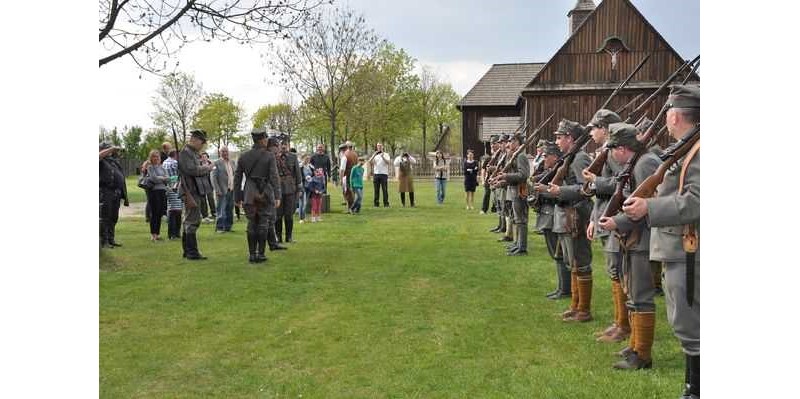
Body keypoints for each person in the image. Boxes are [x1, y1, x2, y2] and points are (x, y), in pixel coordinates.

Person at [622, 85, 700, 397]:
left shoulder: (698, 151)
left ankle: (695, 390)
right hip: (679, 250)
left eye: (667, 115)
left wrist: (649, 207)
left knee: (692, 326)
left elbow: (698, 200)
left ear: (675, 116)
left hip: (689, 252)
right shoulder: (687, 149)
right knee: (686, 324)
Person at [596, 123, 662, 370]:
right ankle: (634, 345)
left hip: (643, 239)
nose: (611, 154)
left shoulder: (645, 163)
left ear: (622, 148)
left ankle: (642, 355)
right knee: (633, 294)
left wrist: (617, 221)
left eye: (613, 149)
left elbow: (646, 205)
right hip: (634, 238)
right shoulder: (638, 162)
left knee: (642, 295)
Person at [534, 119, 594, 322]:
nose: (557, 142)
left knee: (580, 263)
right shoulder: (572, 157)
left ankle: (584, 310)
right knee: (573, 263)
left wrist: (558, 190)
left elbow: (585, 189)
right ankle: (576, 306)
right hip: (568, 217)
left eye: (560, 137)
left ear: (570, 138)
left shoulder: (580, 159)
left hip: (577, 216)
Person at [581, 109, 628, 343]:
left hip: (614, 220)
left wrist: (595, 180)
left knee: (617, 272)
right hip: (603, 217)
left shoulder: (614, 153)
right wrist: (592, 219)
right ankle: (618, 322)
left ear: (606, 129)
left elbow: (623, 184)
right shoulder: (605, 152)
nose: (591, 132)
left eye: (594, 128)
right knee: (613, 272)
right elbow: (598, 195)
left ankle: (623, 325)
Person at [235, 128, 282, 263]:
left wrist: (237, 197)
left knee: (251, 223)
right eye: (266, 138)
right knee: (263, 223)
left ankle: (251, 254)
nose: (267, 141)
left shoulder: (243, 156)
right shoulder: (269, 156)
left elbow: (237, 178)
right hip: (264, 192)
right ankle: (260, 254)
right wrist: (278, 195)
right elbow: (274, 177)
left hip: (249, 192)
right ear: (262, 139)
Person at [531, 143, 570, 299]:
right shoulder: (550, 171)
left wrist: (544, 190)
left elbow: (560, 192)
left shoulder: (561, 171)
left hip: (554, 214)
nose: (544, 158)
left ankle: (565, 289)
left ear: (555, 156)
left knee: (559, 253)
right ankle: (561, 287)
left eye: (547, 156)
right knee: (555, 253)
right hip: (547, 214)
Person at [178, 129, 214, 260]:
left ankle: (188, 251)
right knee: (192, 221)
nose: (202, 145)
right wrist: (207, 168)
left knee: (190, 220)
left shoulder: (191, 152)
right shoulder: (186, 153)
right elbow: (192, 170)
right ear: (196, 140)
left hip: (194, 189)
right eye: (201, 142)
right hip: (190, 190)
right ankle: (191, 252)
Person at [496, 133, 530, 256]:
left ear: (517, 142)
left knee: (521, 220)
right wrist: (501, 181)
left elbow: (523, 175)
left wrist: (505, 176)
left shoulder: (521, 156)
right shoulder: (515, 156)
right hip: (514, 190)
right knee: (517, 220)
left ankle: (522, 247)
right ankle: (517, 244)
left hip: (520, 191)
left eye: (512, 141)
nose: (509, 144)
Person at [274, 134, 303, 243]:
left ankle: (289, 237)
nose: (283, 146)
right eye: (281, 144)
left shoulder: (293, 157)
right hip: (278, 189)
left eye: (285, 144)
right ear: (279, 146)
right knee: (278, 215)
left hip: (290, 189)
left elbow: (298, 174)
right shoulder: (274, 157)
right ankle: (278, 237)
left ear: (288, 145)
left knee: (289, 214)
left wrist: (299, 188)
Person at [99, 143, 129, 248]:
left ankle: (111, 239)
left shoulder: (112, 161)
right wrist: (111, 148)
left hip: (116, 192)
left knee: (113, 217)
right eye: (108, 149)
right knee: (105, 217)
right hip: (105, 191)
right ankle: (104, 241)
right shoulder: (101, 160)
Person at [145, 150, 170, 241]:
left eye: (157, 156)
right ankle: (153, 234)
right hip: (154, 192)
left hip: (162, 191)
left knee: (160, 213)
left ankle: (158, 233)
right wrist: (162, 178)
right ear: (151, 158)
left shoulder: (162, 168)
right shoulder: (150, 167)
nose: (156, 158)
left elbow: (168, 179)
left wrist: (162, 178)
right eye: (154, 156)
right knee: (154, 213)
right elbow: (153, 179)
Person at [212, 146, 236, 233]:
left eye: (226, 151)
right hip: (221, 190)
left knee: (230, 209)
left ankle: (228, 227)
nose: (225, 153)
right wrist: (217, 189)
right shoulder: (216, 163)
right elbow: (213, 178)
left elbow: (235, 175)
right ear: (220, 153)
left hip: (231, 189)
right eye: (223, 151)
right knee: (221, 209)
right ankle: (219, 228)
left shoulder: (232, 162)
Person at [162, 150, 183, 240]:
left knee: (171, 209)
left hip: (168, 187)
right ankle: (175, 233)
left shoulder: (164, 163)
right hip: (176, 186)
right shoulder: (175, 163)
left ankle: (172, 233)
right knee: (177, 211)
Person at [368, 142, 391, 207]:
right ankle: (376, 204)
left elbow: (388, 162)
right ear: (377, 147)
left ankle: (386, 204)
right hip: (376, 174)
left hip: (384, 174)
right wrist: (374, 155)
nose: (379, 147)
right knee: (376, 190)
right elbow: (369, 162)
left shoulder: (386, 154)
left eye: (380, 146)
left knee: (385, 190)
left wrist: (383, 156)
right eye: (378, 146)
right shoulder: (375, 155)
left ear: (382, 147)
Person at [479, 138, 498, 214]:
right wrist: (483, 180)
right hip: (488, 179)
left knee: (496, 195)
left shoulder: (500, 158)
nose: (492, 146)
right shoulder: (488, 158)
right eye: (491, 144)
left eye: (494, 144)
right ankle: (484, 209)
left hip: (496, 178)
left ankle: (495, 209)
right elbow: (483, 170)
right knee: (487, 194)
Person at [339, 141, 358, 212]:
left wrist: (341, 179)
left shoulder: (345, 156)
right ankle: (353, 207)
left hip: (347, 175)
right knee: (353, 191)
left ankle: (351, 208)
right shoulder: (355, 154)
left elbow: (342, 169)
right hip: (354, 175)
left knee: (347, 192)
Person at [199, 152, 216, 223]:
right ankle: (205, 215)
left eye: (205, 157)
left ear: (207, 157)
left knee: (211, 198)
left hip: (209, 183)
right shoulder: (198, 164)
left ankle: (214, 212)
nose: (204, 158)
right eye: (202, 157)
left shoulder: (211, 164)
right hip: (201, 184)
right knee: (203, 201)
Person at [299, 154, 314, 223]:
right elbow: (299, 177)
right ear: (303, 159)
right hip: (302, 186)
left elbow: (313, 174)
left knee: (305, 202)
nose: (307, 160)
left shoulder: (310, 166)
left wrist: (311, 177)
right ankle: (301, 218)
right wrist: (305, 178)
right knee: (303, 202)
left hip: (309, 186)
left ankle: (303, 217)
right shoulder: (300, 167)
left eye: (308, 159)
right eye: (306, 159)